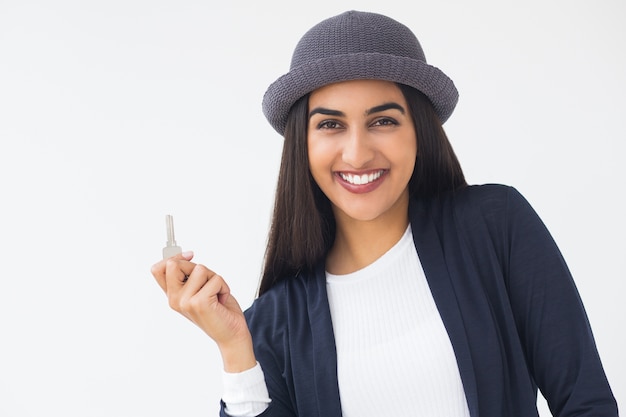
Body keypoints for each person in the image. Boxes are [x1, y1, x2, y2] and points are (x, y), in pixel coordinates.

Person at [151, 10, 618, 417]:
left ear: (420, 130)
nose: (357, 153)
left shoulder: (495, 226)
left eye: (383, 121)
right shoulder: (274, 321)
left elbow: (587, 403)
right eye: (331, 124)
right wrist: (236, 349)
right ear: (303, 145)